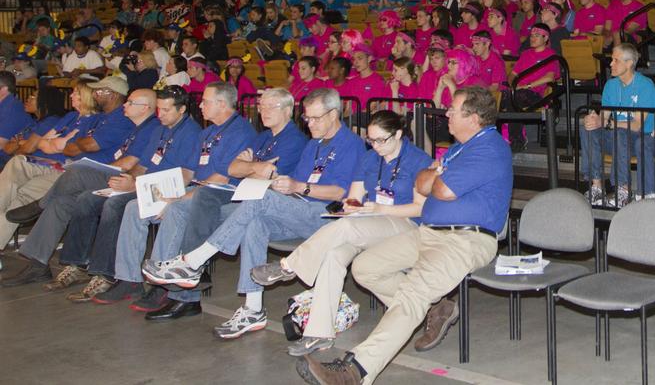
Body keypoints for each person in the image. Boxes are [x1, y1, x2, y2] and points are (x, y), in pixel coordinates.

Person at [298, 86, 510, 385]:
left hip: (466, 239)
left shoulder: (489, 147)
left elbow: (441, 188)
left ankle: (355, 371)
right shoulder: (457, 148)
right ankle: (436, 308)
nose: (446, 112)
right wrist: (436, 176)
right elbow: (423, 182)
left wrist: (437, 176)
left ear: (473, 118)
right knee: (365, 267)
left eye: (453, 109)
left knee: (412, 294)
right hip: (428, 232)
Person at [141, 87, 363, 338]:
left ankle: (192, 262)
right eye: (307, 118)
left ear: (333, 115)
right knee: (255, 222)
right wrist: (283, 182)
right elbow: (255, 173)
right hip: (298, 208)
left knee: (261, 198)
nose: (309, 124)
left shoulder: (351, 144)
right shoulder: (314, 143)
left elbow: (341, 192)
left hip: (325, 216)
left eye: (315, 118)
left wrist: (298, 186)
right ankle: (253, 309)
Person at [99, 87, 304, 312]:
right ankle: (139, 278)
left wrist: (181, 197)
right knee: (134, 207)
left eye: (269, 106)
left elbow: (232, 177)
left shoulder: (251, 134)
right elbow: (227, 168)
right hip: (208, 191)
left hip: (229, 197)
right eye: (261, 105)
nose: (200, 106)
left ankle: (171, 284)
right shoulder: (255, 136)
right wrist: (252, 167)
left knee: (180, 207)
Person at [250, 110, 432, 356]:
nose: (376, 146)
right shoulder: (369, 159)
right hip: (369, 223)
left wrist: (381, 208)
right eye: (371, 140)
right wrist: (351, 207)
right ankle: (319, 333)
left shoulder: (418, 160)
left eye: (382, 140)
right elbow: (355, 197)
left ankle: (288, 266)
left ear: (398, 134)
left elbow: (419, 207)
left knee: (346, 228)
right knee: (333, 254)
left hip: (405, 223)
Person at [0, 88, 171, 289]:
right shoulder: (134, 127)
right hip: (115, 176)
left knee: (78, 171)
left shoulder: (151, 128)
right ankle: (40, 264)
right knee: (61, 202)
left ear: (145, 108)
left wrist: (103, 169)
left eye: (130, 103)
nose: (124, 105)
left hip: (129, 180)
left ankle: (40, 204)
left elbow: (130, 163)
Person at [579, 44, 655, 206]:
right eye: (611, 60)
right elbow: (604, 117)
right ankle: (596, 187)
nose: (611, 64)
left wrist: (610, 123)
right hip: (617, 137)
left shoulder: (645, 85)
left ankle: (623, 189)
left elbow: (637, 125)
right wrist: (594, 120)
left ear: (629, 63)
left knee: (620, 131)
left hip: (639, 138)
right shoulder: (611, 85)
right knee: (588, 129)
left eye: (615, 60)